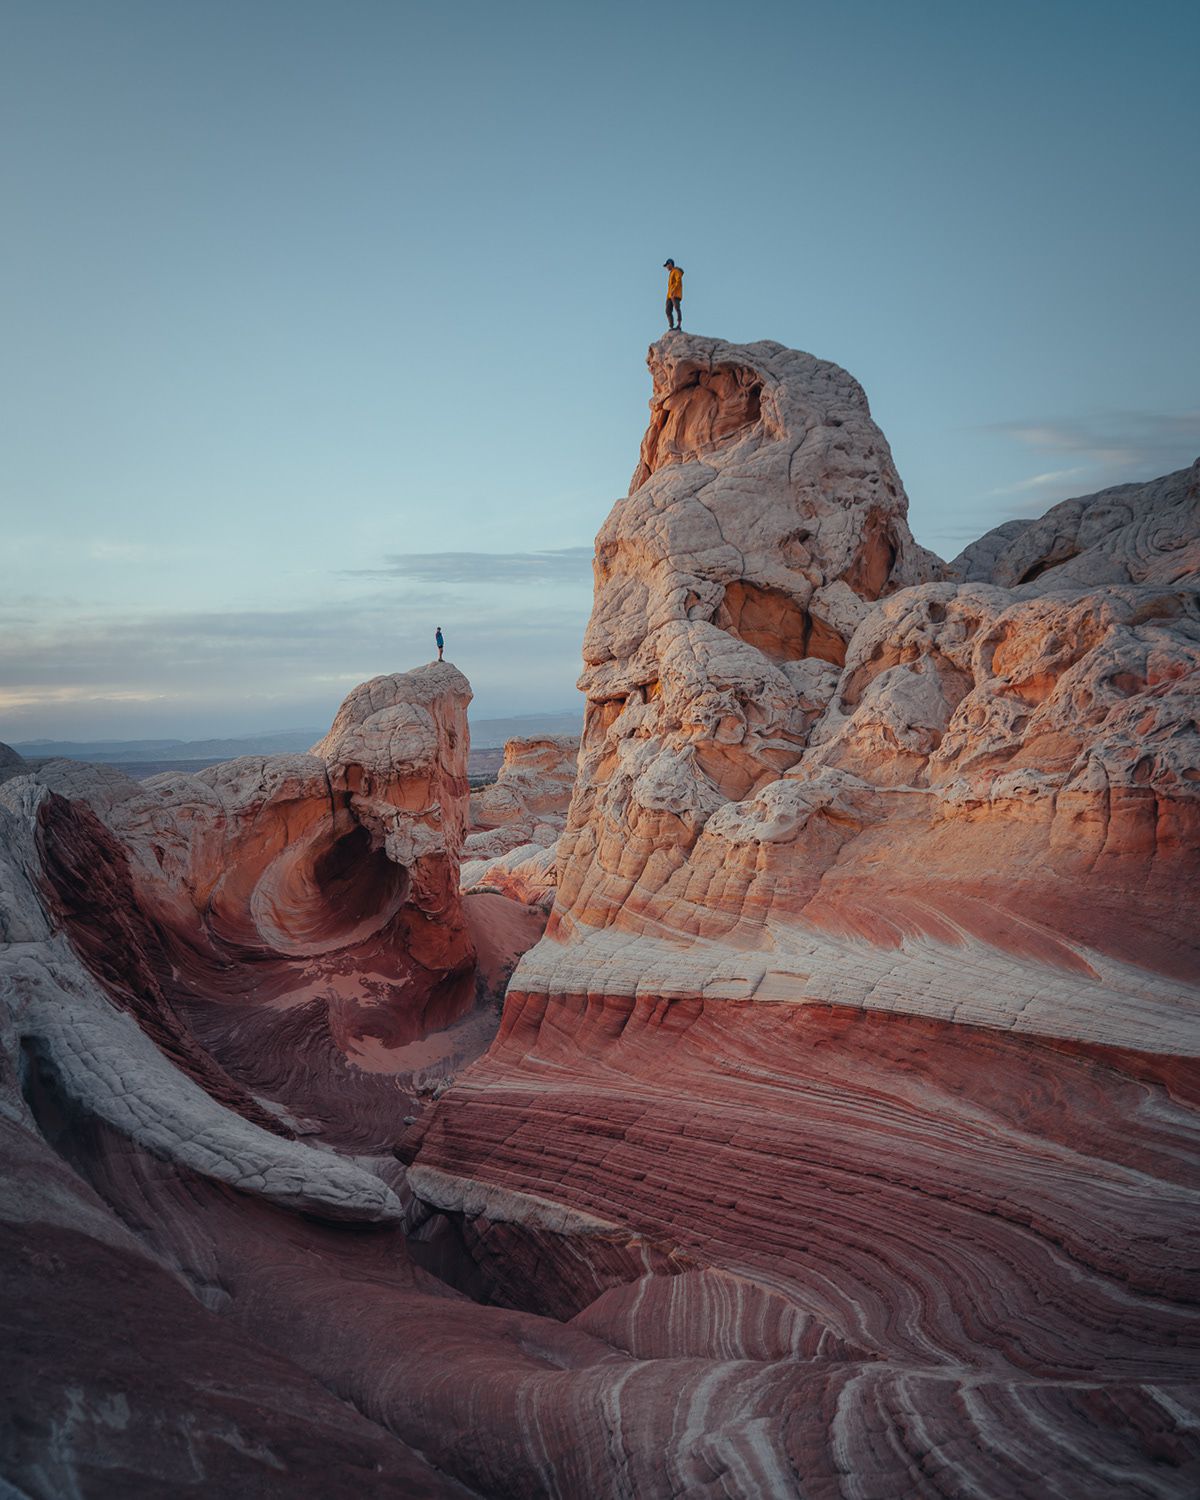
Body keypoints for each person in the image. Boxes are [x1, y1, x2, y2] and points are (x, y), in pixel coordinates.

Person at [663, 258, 684, 330]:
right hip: (669, 295)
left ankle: (679, 325)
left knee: (677, 308)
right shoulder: (671, 273)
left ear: (670, 264)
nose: (666, 267)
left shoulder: (676, 271)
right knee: (668, 310)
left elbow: (678, 281)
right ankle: (671, 326)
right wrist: (668, 296)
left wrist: (673, 290)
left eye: (667, 265)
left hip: (675, 294)